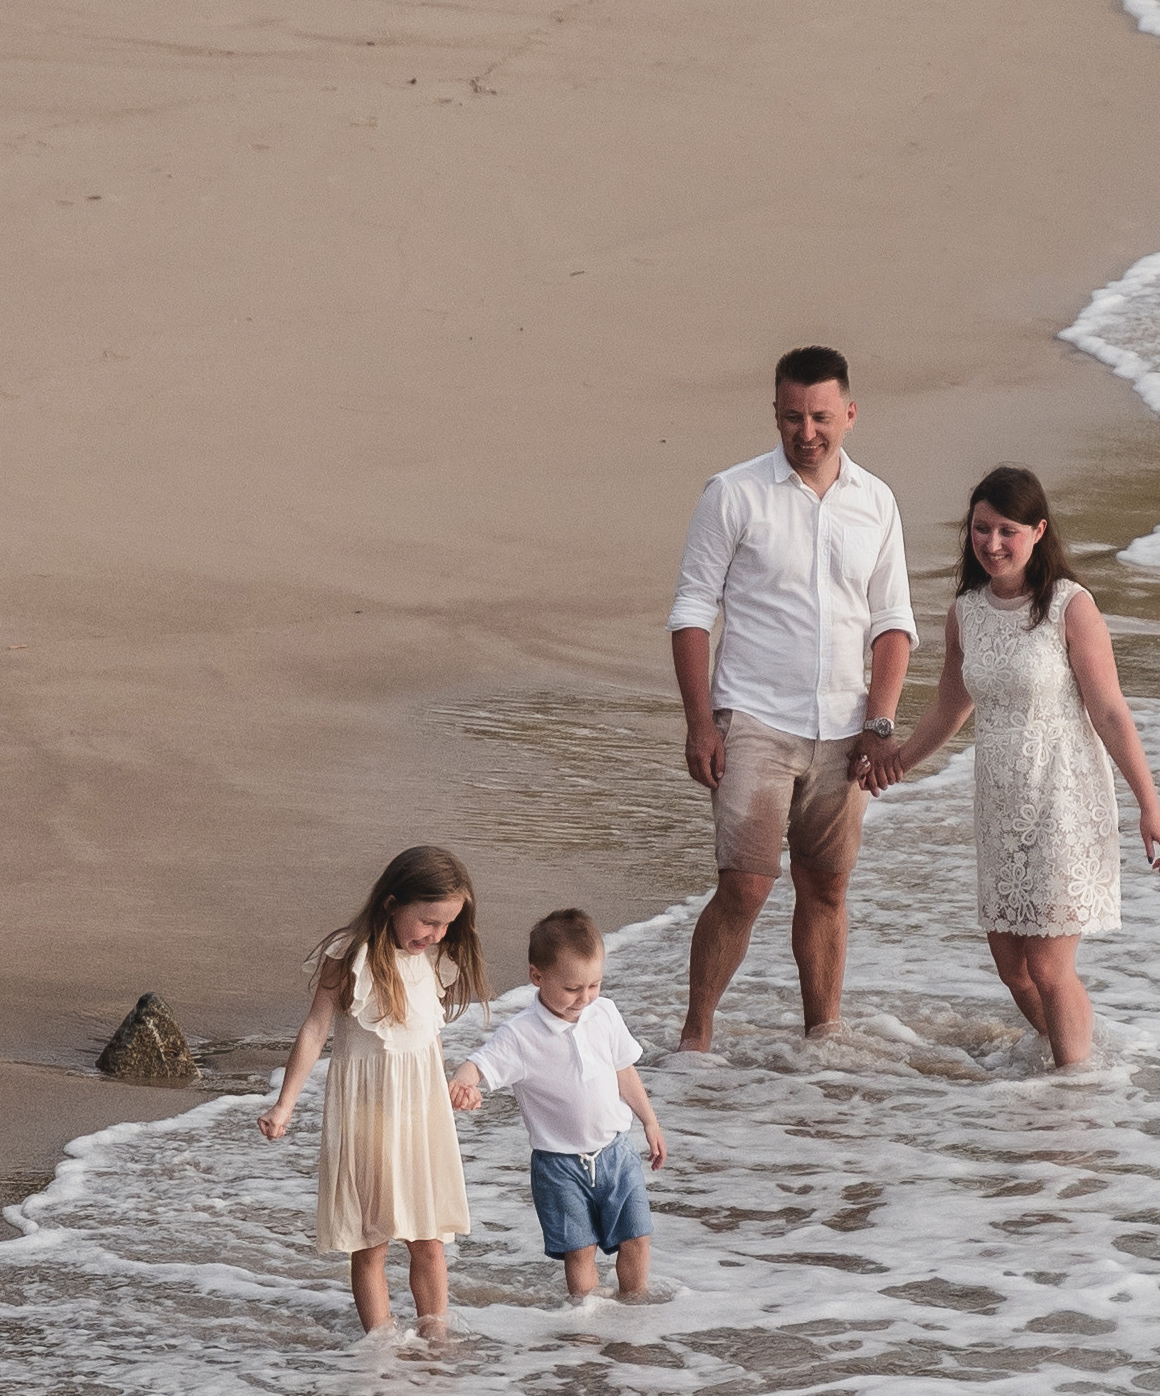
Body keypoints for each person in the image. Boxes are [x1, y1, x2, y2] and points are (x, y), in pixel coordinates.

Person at [861, 464, 1160, 1069]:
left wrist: (1149, 806)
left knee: (1050, 967)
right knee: (1014, 969)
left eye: (1008, 530)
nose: (993, 543)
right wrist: (898, 761)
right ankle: (1078, 1057)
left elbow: (1109, 711)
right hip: (1001, 806)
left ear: (1038, 532)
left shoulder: (1069, 606)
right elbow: (951, 706)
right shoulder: (966, 611)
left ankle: (1074, 1091)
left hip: (1064, 797)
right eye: (982, 529)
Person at [667, 344, 917, 1049]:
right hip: (752, 719)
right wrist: (700, 724)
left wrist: (879, 723)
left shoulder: (876, 501)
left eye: (820, 417)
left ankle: (822, 1038)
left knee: (826, 886)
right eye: (791, 417)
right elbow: (691, 612)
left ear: (849, 414)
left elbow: (892, 623)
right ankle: (695, 1038)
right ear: (775, 414)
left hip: (844, 726)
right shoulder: (733, 493)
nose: (806, 432)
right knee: (746, 886)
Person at [257, 845, 489, 1334]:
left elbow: (429, 1037)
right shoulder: (350, 955)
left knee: (429, 1240)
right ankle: (380, 1349)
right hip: (364, 1114)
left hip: (421, 1116)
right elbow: (315, 1030)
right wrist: (284, 1104)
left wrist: (452, 1087)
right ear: (391, 903)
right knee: (370, 1243)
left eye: (447, 924)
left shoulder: (435, 958)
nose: (437, 934)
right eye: (428, 921)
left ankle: (435, 1341)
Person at [449, 908, 666, 1300]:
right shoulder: (521, 1035)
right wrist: (464, 1083)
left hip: (617, 1153)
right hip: (558, 1165)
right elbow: (477, 1064)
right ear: (537, 977)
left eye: (594, 984)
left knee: (637, 1238)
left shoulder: (604, 1013)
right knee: (579, 1250)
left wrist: (649, 1121)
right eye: (572, 989)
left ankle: (634, 1316)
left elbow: (624, 1071)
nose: (584, 998)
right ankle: (587, 1320)